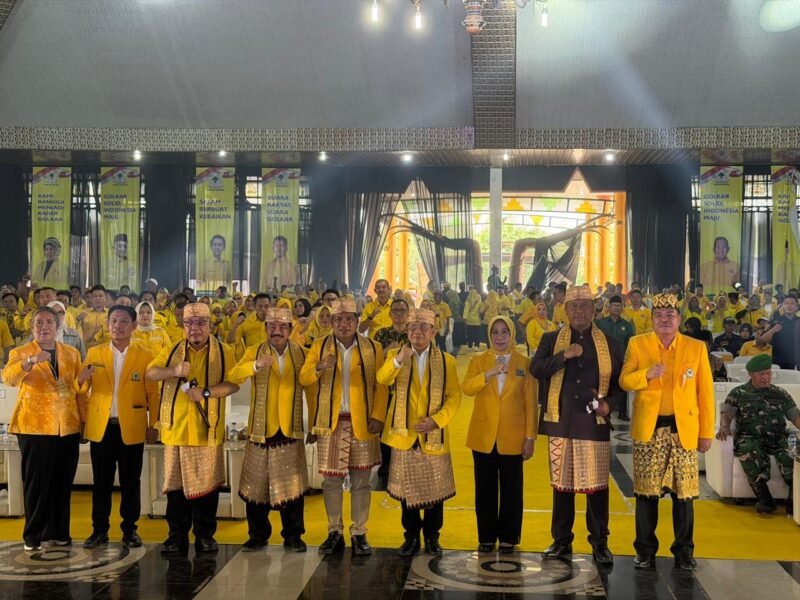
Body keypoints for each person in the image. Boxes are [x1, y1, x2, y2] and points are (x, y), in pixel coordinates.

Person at [530, 284, 624, 567]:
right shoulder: (551, 340)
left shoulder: (610, 343)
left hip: (594, 423)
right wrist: (564, 356)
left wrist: (609, 405)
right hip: (561, 421)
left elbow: (620, 385)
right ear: (565, 310)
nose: (579, 311)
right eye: (574, 306)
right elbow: (536, 369)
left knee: (597, 487)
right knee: (562, 486)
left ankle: (600, 542)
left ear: (594, 310)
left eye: (585, 306)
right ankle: (561, 541)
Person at [620, 293, 714, 571]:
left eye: (670, 315)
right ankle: (645, 550)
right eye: (659, 315)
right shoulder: (637, 343)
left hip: (683, 431)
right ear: (651, 319)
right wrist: (646, 375)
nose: (664, 320)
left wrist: (706, 432)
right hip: (649, 429)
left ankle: (684, 551)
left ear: (679, 319)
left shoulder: (696, 348)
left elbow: (705, 394)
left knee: (684, 495)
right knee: (646, 494)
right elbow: (624, 380)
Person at [146, 302, 239, 554]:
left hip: (206, 429)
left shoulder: (224, 351)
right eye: (189, 323)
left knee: (207, 488)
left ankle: (205, 536)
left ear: (210, 325)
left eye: (200, 323)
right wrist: (173, 370)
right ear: (183, 325)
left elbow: (233, 384)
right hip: (176, 431)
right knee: (176, 489)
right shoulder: (172, 350)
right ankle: (176, 536)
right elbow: (151, 373)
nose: (194, 328)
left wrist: (206, 392)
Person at [299, 298, 388, 556]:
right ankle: (334, 531)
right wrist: (319, 367)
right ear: (331, 322)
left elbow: (381, 386)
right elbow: (304, 378)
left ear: (357, 321)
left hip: (363, 422)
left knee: (361, 481)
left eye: (349, 319)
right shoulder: (319, 346)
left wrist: (378, 416)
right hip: (331, 422)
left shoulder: (372, 347)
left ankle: (359, 532)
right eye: (338, 319)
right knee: (331, 481)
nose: (343, 324)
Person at [378, 308, 461, 556]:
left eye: (424, 327)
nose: (418, 332)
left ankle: (433, 537)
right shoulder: (396, 356)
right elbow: (382, 379)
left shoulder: (447, 361)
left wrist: (437, 421)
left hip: (433, 434)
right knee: (408, 492)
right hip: (404, 434)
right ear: (407, 331)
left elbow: (454, 396)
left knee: (436, 491)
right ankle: (411, 536)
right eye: (413, 327)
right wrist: (397, 360)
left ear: (433, 332)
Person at [228, 307, 313, 552]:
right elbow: (234, 375)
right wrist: (254, 366)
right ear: (265, 328)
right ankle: (258, 535)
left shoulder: (302, 354)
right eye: (272, 326)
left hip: (290, 427)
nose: (277, 331)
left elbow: (312, 389)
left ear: (290, 329)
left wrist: (314, 423)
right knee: (256, 485)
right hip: (261, 427)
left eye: (282, 327)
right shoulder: (254, 352)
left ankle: (293, 535)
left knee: (293, 485)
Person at [78, 305, 159, 548]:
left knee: (130, 483)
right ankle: (99, 530)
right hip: (101, 427)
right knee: (101, 483)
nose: (117, 326)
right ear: (107, 324)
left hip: (132, 426)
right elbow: (82, 389)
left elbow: (153, 393)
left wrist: (153, 424)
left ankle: (130, 530)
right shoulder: (95, 353)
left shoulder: (146, 355)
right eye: (113, 321)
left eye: (123, 321)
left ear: (134, 326)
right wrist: (80, 381)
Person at [3, 306, 83, 551]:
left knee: (63, 482)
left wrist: (84, 421)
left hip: (66, 426)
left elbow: (77, 390)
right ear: (32, 327)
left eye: (49, 322)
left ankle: (60, 532)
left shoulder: (71, 353)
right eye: (39, 322)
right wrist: (30, 362)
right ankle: (33, 534)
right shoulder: (21, 352)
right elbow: (9, 378)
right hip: (34, 427)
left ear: (58, 326)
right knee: (36, 483)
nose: (44, 327)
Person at [462, 316, 536, 554]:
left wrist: (530, 437)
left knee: (512, 490)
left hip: (513, 436)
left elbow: (530, 403)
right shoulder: (478, 360)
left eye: (505, 332)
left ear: (512, 334)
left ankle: (508, 537)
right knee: (484, 490)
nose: (500, 337)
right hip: (483, 435)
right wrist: (489, 374)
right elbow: (467, 388)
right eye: (495, 332)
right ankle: (486, 536)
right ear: (489, 335)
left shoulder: (524, 363)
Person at [717, 353, 800, 514]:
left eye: (768, 373)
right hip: (750, 437)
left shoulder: (780, 393)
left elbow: (795, 416)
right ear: (750, 374)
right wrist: (724, 427)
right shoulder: (739, 393)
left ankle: (794, 500)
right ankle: (765, 500)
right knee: (749, 451)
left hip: (779, 437)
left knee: (794, 451)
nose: (766, 377)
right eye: (761, 374)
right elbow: (726, 414)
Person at [374, 298, 410, 490]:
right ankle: (386, 470)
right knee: (386, 432)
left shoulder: (413, 333)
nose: (399, 314)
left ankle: (405, 469)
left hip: (407, 392)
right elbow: (373, 362)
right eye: (395, 310)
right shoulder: (381, 334)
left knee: (405, 430)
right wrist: (390, 350)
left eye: (402, 311)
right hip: (386, 391)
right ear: (390, 314)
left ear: (408, 314)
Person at [595, 295, 635, 420]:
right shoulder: (601, 323)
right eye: (614, 305)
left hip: (621, 360)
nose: (616, 308)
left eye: (619, 306)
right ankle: (602, 410)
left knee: (621, 385)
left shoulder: (627, 325)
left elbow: (631, 343)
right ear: (609, 307)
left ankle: (622, 412)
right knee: (603, 384)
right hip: (603, 359)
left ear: (622, 308)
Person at [761, 295, 799, 369]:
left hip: (797, 360)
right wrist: (774, 329)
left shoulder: (799, 321)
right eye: (786, 303)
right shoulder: (775, 321)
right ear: (782, 306)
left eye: (792, 303)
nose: (789, 306)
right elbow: (764, 339)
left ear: (797, 307)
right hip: (779, 360)